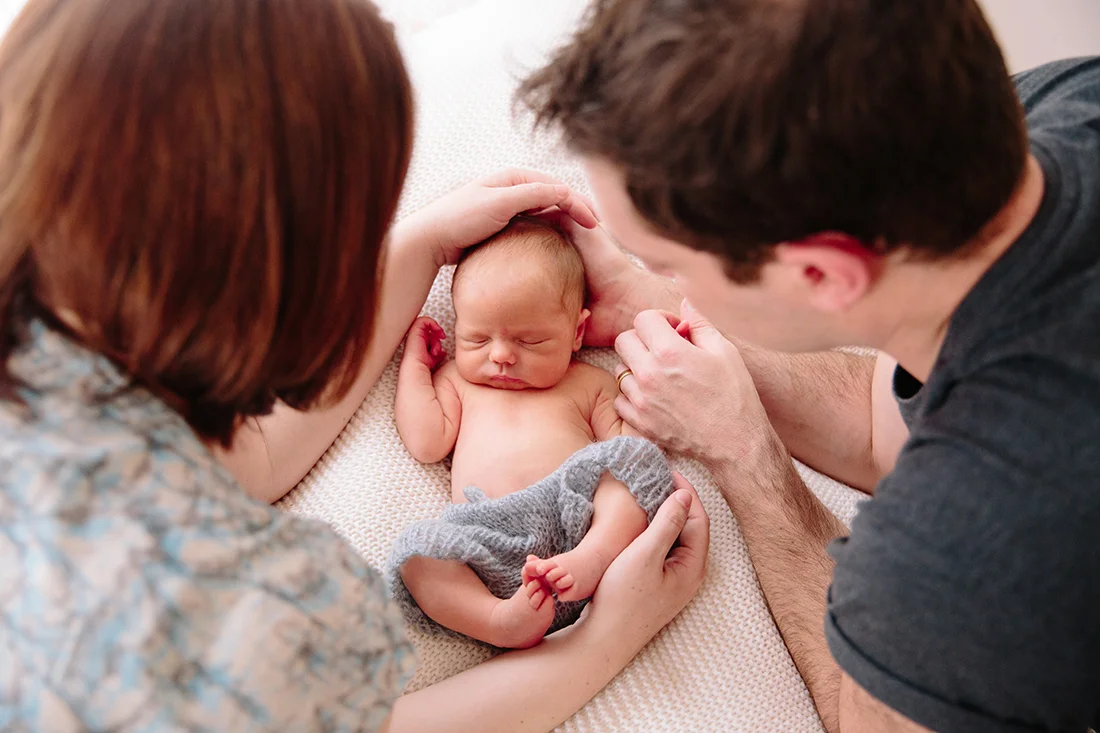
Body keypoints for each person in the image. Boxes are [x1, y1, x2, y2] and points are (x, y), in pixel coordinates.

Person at [0, 0, 709, 731]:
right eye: (359, 232)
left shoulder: (66, 371)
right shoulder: (231, 609)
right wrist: (604, 638)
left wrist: (422, 246)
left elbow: (244, 456)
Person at [521, 1, 1099, 732]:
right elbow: (890, 422)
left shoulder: (977, 541)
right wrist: (652, 297)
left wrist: (744, 454)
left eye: (667, 261)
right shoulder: (1059, 108)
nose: (660, 274)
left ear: (823, 274)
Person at [392, 217, 666, 649]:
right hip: (487, 537)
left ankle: (593, 560)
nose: (500, 356)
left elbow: (629, 450)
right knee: (417, 554)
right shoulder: (457, 381)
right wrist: (415, 365)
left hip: (578, 518)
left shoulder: (587, 382)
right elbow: (426, 442)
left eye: (531, 342)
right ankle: (497, 619)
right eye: (477, 339)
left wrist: (644, 386)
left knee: (635, 465)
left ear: (576, 333)